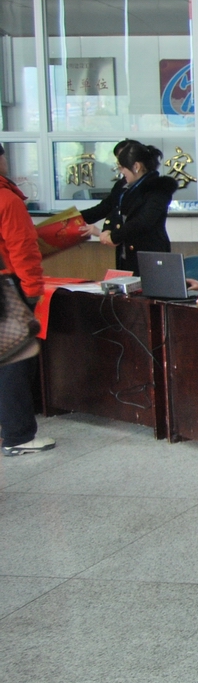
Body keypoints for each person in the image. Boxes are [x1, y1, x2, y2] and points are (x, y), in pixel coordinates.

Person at [0, 144, 51, 456]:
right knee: (15, 359)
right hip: (6, 286)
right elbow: (23, 247)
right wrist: (32, 290)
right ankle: (18, 435)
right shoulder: (6, 199)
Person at [79, 139, 177, 274]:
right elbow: (112, 209)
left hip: (150, 258)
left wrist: (114, 236)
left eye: (122, 167)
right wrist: (107, 229)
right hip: (127, 255)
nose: (121, 172)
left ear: (136, 166)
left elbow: (143, 221)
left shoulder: (158, 189)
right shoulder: (126, 188)